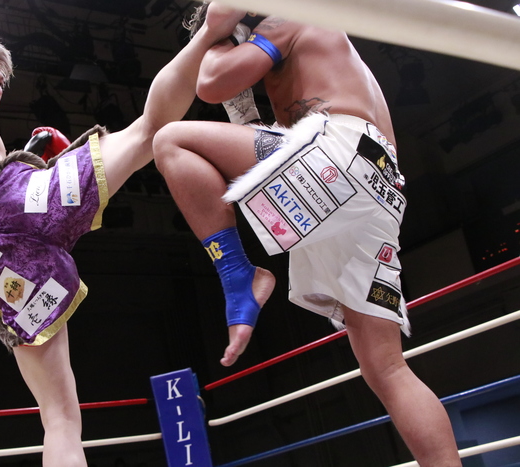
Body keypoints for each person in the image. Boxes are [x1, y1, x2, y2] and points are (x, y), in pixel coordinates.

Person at [0, 7, 246, 466]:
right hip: (17, 207)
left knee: (60, 419)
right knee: (148, 130)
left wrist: (35, 161)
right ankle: (209, 32)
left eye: (1, 79)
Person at [153, 4, 462, 466]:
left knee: (170, 140)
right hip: (374, 190)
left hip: (341, 156)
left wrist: (218, 34)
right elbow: (259, 141)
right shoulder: (313, 56)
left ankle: (238, 275)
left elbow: (210, 84)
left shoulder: (293, 14)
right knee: (386, 368)